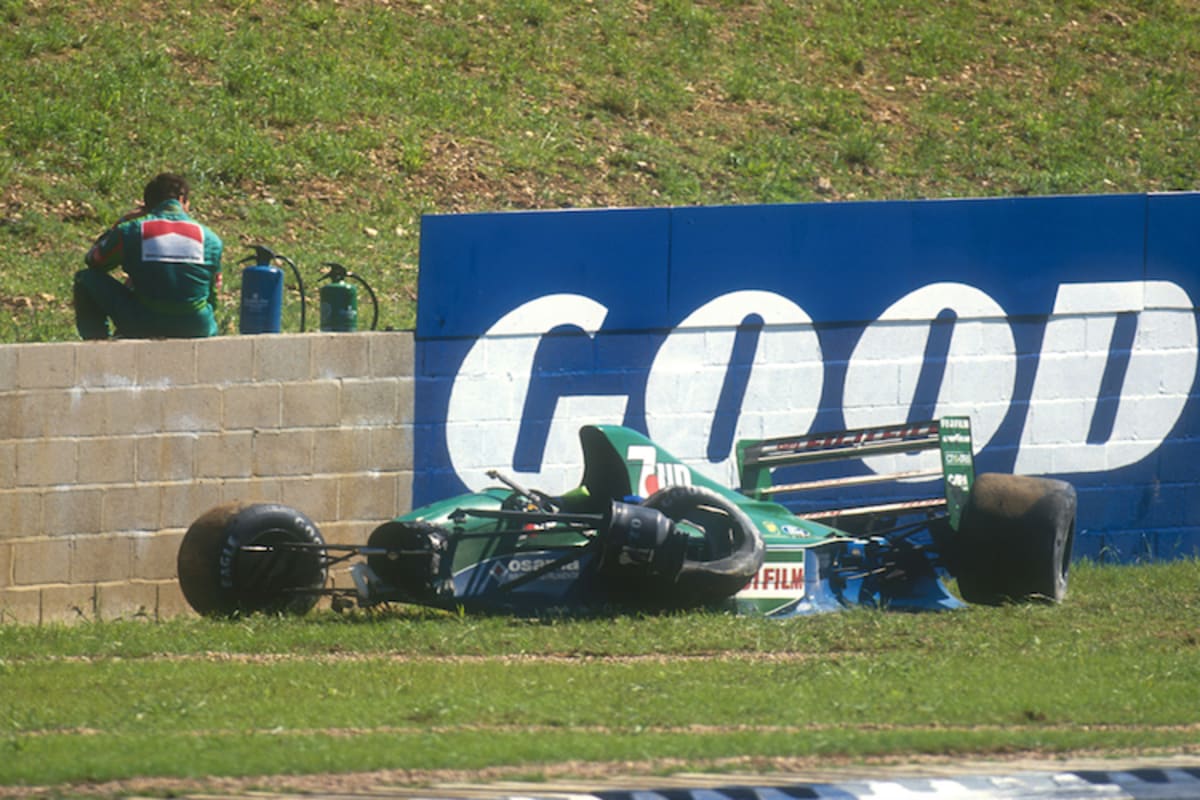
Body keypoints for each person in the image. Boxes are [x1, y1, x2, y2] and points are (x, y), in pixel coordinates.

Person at [73, 173, 223, 339]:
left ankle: (97, 346)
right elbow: (213, 292)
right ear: (182, 200)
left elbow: (95, 261)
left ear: (146, 204)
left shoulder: (130, 230)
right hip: (198, 326)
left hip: (144, 323)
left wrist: (120, 223)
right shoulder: (211, 239)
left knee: (85, 278)